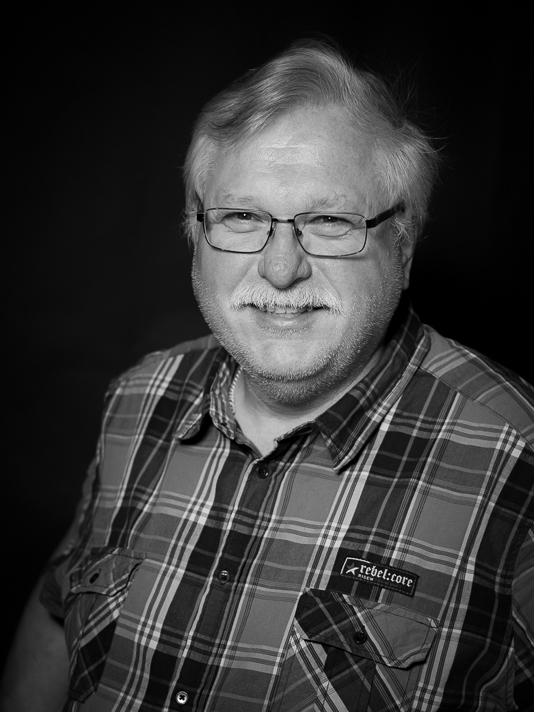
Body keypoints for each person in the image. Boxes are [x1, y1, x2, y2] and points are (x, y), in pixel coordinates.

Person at [2, 39, 533, 712]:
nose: (281, 269)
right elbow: (58, 608)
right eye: (242, 217)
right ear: (196, 233)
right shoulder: (137, 401)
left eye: (329, 220)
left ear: (402, 246)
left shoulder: (517, 456)